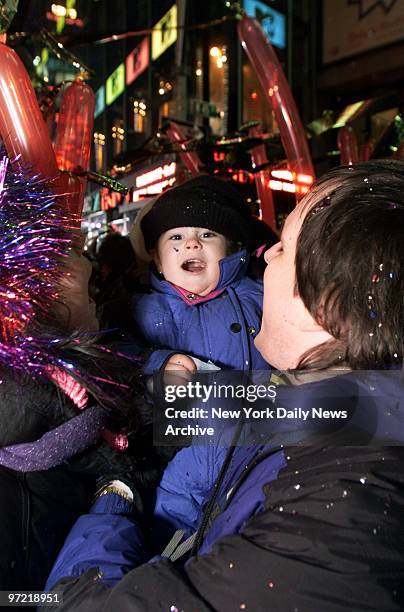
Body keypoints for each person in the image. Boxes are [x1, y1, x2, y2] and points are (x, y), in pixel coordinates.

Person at [45, 160, 404, 610]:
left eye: (286, 247)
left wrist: (111, 501)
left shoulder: (340, 517)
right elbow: (217, 412)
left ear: (334, 299)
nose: (266, 254)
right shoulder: (336, 407)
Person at [0, 156, 163, 590]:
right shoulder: (33, 408)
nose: (98, 301)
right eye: (86, 289)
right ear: (42, 305)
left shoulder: (67, 399)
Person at [132, 175, 273, 375]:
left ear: (232, 248)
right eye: (176, 237)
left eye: (207, 235)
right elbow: (123, 356)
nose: (191, 243)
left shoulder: (264, 295)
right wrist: (159, 364)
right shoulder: (144, 311)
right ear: (158, 260)